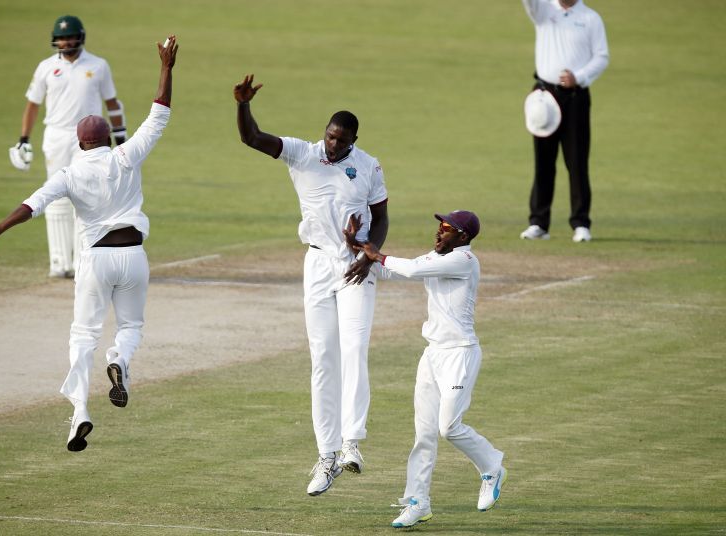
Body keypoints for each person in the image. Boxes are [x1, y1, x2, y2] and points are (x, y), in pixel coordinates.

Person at [0, 36, 178, 452]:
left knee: (83, 335)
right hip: (133, 256)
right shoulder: (127, 156)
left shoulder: (68, 173)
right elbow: (159, 112)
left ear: (81, 142)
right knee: (131, 327)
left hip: (96, 260)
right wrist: (166, 67)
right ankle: (119, 360)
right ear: (105, 138)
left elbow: (31, 206)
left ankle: (81, 411)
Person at [233, 74, 390, 496]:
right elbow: (253, 139)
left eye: (340, 139)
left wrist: (368, 252)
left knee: (354, 350)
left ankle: (351, 443)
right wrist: (243, 105)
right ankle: (326, 456)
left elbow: (383, 216)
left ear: (354, 139)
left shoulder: (370, 167)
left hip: (356, 265)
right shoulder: (303, 153)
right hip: (318, 262)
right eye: (329, 135)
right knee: (323, 358)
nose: (331, 144)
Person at [344, 210, 506, 528]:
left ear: (463, 236)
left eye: (446, 228)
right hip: (432, 355)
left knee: (450, 427)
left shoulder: (464, 260)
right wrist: (359, 246)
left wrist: (375, 253)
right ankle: (418, 502)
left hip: (460, 355)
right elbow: (397, 271)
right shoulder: (437, 256)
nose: (438, 232)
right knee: (424, 434)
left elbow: (410, 268)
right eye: (439, 226)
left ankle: (492, 466)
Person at [11, 15, 128, 277]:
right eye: (61, 37)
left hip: (89, 140)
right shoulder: (45, 67)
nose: (65, 42)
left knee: (85, 196)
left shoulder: (98, 65)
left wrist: (121, 138)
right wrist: (24, 138)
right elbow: (33, 105)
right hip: (56, 136)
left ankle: (81, 262)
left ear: (80, 37)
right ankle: (58, 263)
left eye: (70, 37)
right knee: (54, 197)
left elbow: (113, 104)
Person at [519, 0, 609, 243]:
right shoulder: (544, 10)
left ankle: (580, 223)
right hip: (545, 97)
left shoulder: (590, 18)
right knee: (543, 161)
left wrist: (578, 77)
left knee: (577, 161)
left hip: (575, 96)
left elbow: (601, 57)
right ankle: (538, 222)